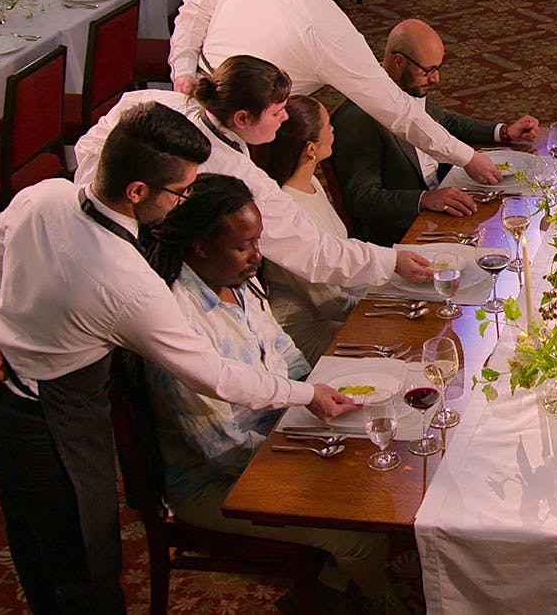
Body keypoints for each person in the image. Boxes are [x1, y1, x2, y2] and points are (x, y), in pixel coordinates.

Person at [0, 102, 358, 614]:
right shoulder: (128, 283)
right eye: (180, 192)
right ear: (136, 192)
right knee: (88, 566)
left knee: (37, 550)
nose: (184, 202)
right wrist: (309, 394)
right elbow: (214, 375)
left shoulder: (44, 194)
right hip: (54, 419)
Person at [140, 174, 389, 605]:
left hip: (274, 441)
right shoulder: (176, 323)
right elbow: (224, 450)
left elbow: (287, 358)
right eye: (244, 247)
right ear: (200, 247)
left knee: (381, 468)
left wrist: (326, 407)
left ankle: (329, 587)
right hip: (219, 484)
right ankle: (382, 603)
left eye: (259, 241)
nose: (259, 256)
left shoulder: (237, 281)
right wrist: (322, 456)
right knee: (362, 528)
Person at [165, 0, 504, 187]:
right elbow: (397, 111)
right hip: (247, 139)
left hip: (184, 103)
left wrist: (182, 70)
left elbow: (192, 11)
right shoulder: (330, 33)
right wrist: (468, 157)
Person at [73, 55, 433, 294]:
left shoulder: (159, 101)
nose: (286, 118)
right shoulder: (237, 175)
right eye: (277, 112)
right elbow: (311, 249)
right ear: (242, 119)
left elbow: (88, 145)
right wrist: (390, 262)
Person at [332, 18, 540, 245]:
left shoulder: (406, 85)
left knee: (525, 206)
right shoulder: (359, 117)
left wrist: (504, 132)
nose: (436, 79)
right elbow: (360, 199)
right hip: (406, 229)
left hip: (445, 191)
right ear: (398, 62)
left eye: (438, 68)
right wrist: (424, 199)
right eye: (428, 71)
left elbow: (447, 122)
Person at [252, 95, 361, 362]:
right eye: (328, 126)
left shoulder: (310, 180)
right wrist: (380, 306)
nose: (333, 129)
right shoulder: (287, 208)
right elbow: (327, 301)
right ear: (310, 148)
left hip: (336, 310)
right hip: (309, 334)